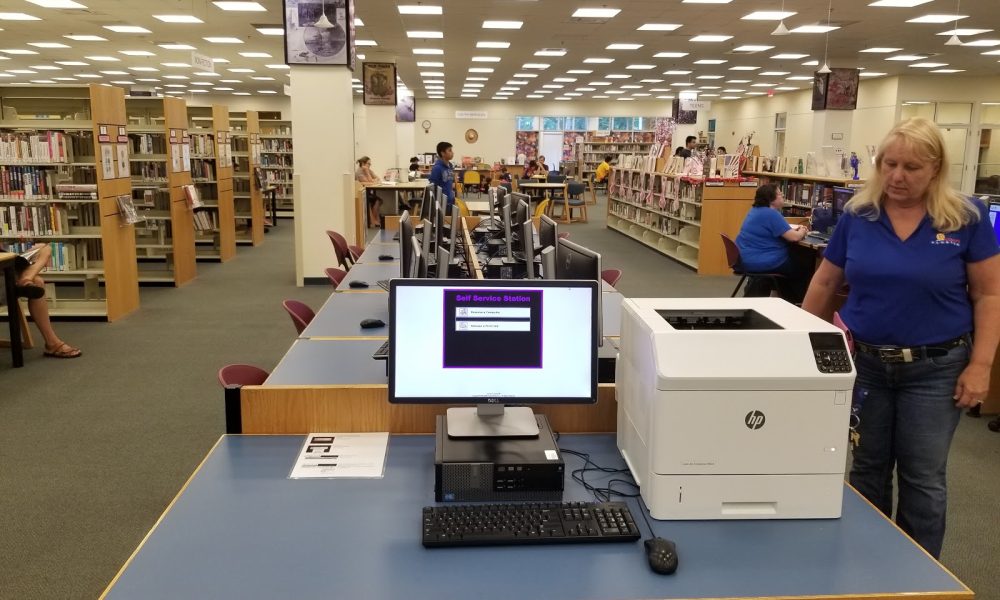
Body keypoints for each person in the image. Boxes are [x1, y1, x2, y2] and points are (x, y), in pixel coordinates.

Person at [801, 117, 1000, 559]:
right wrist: (797, 342)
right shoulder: (859, 213)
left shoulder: (965, 218)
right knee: (867, 469)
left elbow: (989, 295)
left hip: (936, 368)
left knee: (922, 477)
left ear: (935, 168)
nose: (897, 176)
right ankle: (866, 565)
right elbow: (825, 282)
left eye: (911, 167)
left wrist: (981, 364)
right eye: (889, 163)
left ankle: (919, 571)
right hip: (866, 363)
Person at [734, 183, 810, 303]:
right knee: (805, 266)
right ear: (771, 199)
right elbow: (794, 238)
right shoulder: (771, 214)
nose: (783, 195)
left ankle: (782, 298)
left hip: (745, 257)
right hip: (761, 260)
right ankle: (795, 302)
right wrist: (802, 230)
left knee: (796, 262)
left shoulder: (755, 210)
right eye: (780, 194)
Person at [3, 243, 81, 358]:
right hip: (4, 273)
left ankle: (26, 278)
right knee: (37, 282)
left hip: (8, 265)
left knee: (45, 248)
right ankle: (52, 343)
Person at [428, 141, 455, 208]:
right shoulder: (437, 168)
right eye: (450, 150)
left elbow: (450, 183)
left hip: (450, 200)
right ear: (442, 153)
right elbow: (433, 187)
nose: (452, 152)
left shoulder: (450, 166)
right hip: (441, 203)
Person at [355, 156, 381, 227]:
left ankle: (375, 220)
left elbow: (377, 178)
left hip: (368, 192)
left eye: (370, 164)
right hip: (362, 194)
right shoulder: (359, 172)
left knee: (378, 200)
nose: (369, 166)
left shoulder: (369, 170)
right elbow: (370, 182)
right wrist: (367, 172)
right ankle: (373, 221)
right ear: (363, 163)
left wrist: (373, 180)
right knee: (376, 200)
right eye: (368, 164)